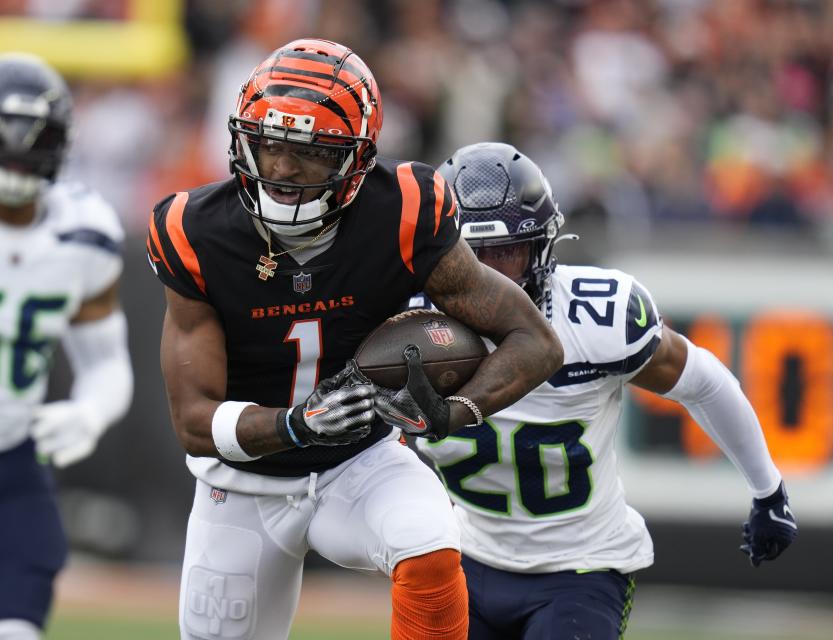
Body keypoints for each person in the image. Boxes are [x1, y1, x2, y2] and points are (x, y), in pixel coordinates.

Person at [146, 39, 562, 640]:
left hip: (357, 464)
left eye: (310, 153)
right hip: (240, 485)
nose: (283, 170)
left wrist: (454, 411)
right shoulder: (194, 232)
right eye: (269, 144)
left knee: (431, 544)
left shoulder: (405, 211)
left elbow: (535, 341)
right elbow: (192, 419)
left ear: (357, 159)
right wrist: (296, 425)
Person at [409, 142, 799, 640]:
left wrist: (768, 488)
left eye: (505, 254)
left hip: (582, 566)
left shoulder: (594, 318)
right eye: (472, 256)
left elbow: (703, 380)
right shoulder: (410, 322)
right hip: (467, 554)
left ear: (542, 246)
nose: (489, 277)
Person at [0, 54, 133, 640]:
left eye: (32, 137)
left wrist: (90, 410)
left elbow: (105, 362)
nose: (15, 153)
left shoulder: (84, 233)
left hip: (13, 459)